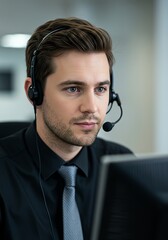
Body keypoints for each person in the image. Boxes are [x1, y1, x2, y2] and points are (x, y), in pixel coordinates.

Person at [0, 17, 132, 240]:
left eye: (100, 89)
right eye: (73, 89)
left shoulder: (122, 167)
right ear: (34, 92)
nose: (91, 107)